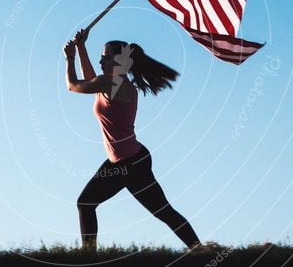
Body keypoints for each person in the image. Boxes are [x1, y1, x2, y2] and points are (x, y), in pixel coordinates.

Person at [63, 27, 204, 252]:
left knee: (90, 204)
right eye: (100, 57)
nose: (101, 62)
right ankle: (199, 249)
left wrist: (69, 58)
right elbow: (90, 77)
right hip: (126, 161)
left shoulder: (111, 83)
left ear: (119, 62)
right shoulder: (111, 82)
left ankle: (88, 257)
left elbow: (74, 85)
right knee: (161, 211)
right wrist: (81, 47)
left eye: (105, 58)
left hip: (130, 165)